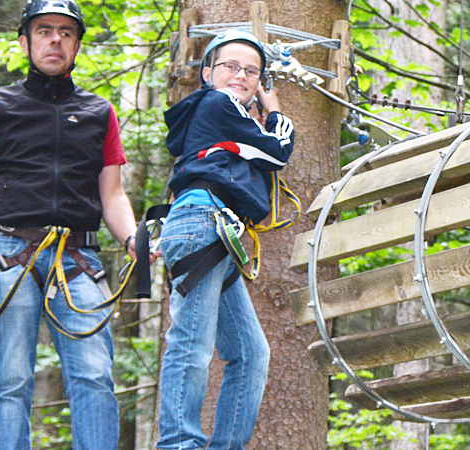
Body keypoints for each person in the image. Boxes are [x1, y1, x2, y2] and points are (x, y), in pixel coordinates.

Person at [0, 0, 137, 448]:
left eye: (66, 32)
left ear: (76, 45)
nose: (56, 40)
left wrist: (132, 238)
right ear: (25, 41)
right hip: (8, 251)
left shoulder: (100, 113)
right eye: (45, 30)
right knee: (10, 379)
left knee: (94, 374)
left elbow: (113, 194)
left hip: (77, 258)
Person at [157, 29, 294, 450]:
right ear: (207, 73)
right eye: (231, 67)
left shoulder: (219, 115)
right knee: (192, 343)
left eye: (252, 71)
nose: (242, 76)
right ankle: (179, 444)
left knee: (251, 356)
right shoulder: (218, 104)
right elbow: (276, 151)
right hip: (204, 222)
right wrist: (275, 112)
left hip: (216, 230)